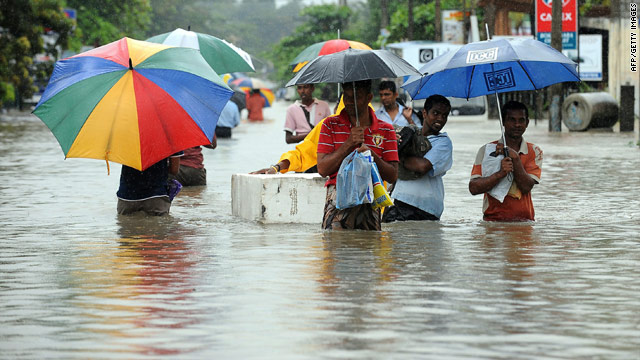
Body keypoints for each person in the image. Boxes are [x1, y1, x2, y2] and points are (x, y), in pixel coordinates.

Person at [317, 79, 399, 231]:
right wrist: (348, 144)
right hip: (338, 194)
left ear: (369, 98)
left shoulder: (386, 130)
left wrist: (371, 153)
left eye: (356, 97)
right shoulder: (330, 125)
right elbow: (322, 169)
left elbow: (393, 175)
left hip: (370, 197)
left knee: (370, 247)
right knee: (334, 247)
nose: (349, 102)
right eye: (346, 97)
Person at [383, 95, 453, 222]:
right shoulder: (410, 132)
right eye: (436, 113)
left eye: (444, 115)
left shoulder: (443, 142)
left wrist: (398, 156)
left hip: (426, 208)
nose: (440, 119)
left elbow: (422, 166)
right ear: (424, 113)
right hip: (401, 201)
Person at [468, 100, 543, 221]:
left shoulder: (534, 151)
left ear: (527, 122)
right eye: (512, 120)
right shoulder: (487, 150)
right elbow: (474, 188)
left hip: (524, 221)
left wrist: (516, 159)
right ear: (503, 122)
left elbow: (526, 187)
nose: (517, 125)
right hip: (493, 221)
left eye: (521, 120)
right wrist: (500, 174)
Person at [116, 152, 183, 216]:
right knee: (160, 226)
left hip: (127, 196)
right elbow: (174, 170)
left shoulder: (126, 141)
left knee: (126, 225)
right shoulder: (169, 140)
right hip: (156, 196)